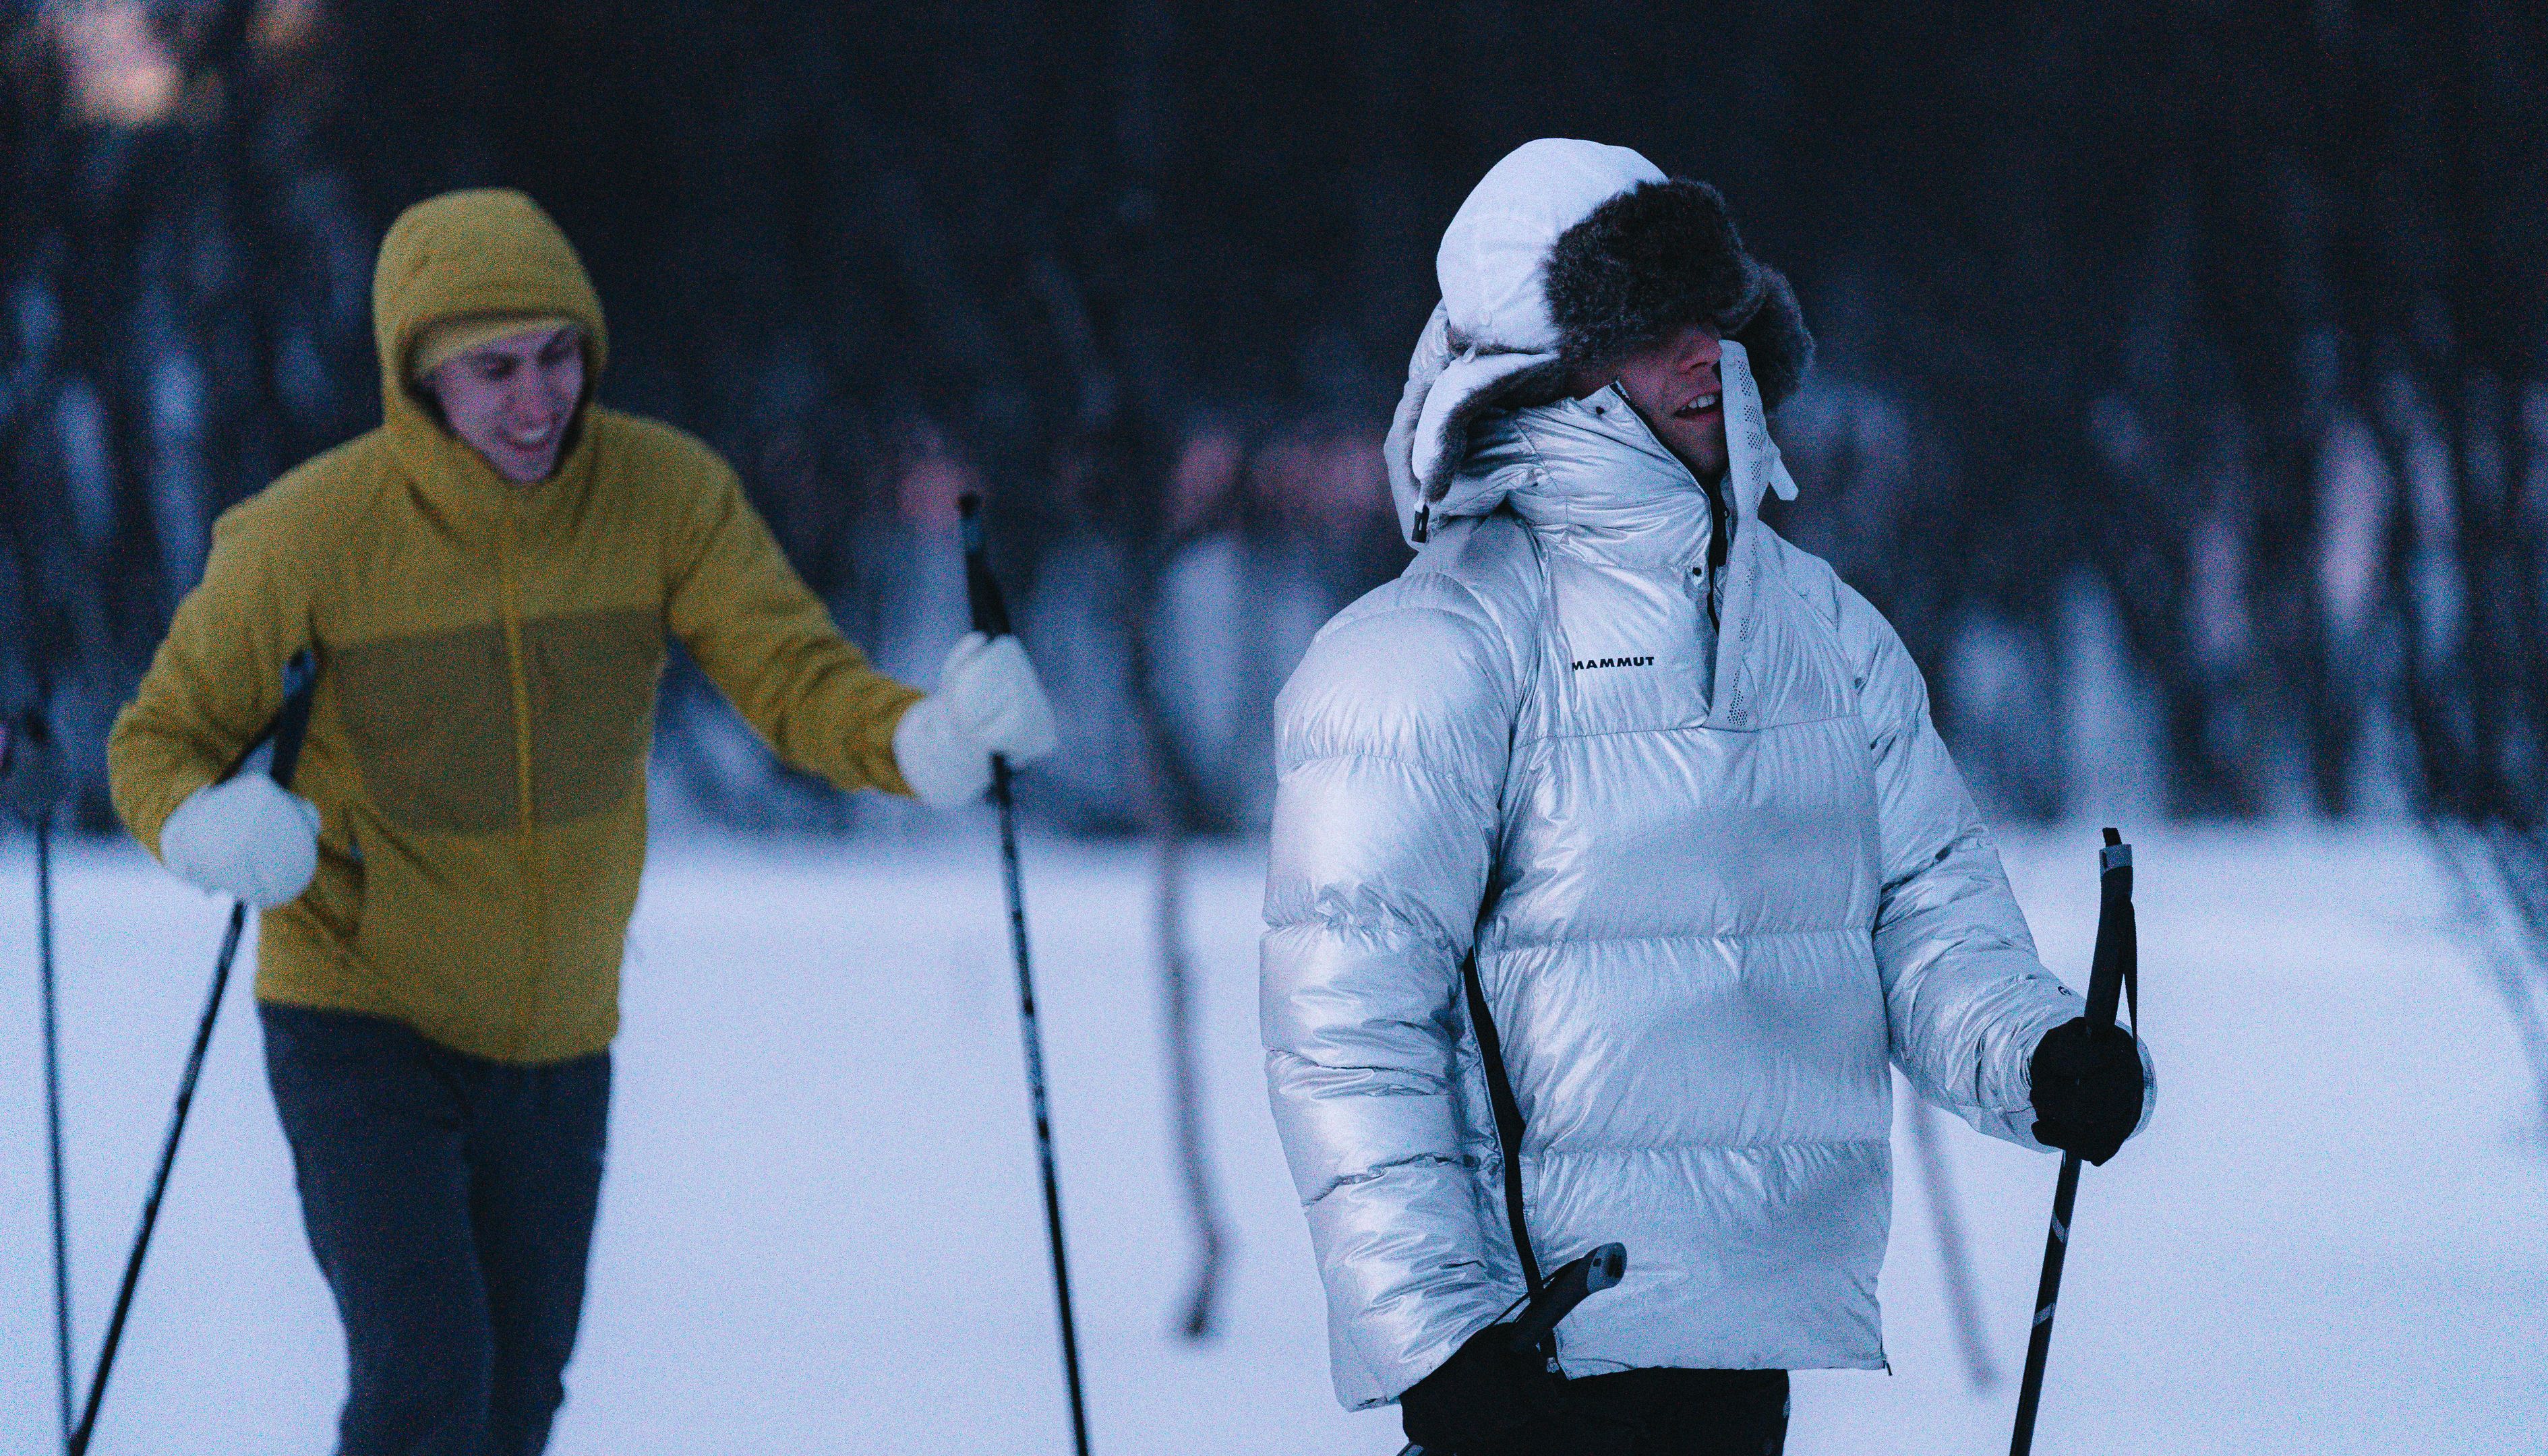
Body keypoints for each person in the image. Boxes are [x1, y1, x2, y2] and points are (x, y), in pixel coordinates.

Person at [107, 189, 1054, 1455]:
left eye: (557, 356)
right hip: (361, 1019)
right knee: (425, 1389)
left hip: (561, 1038)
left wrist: (922, 740)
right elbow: (153, 743)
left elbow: (793, 676)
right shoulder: (309, 536)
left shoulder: (662, 495)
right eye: (491, 368)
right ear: (417, 377)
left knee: (517, 1408)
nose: (536, 399)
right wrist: (204, 827)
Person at [1262, 140, 2154, 1455]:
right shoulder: (1429, 651)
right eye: (1648, 324)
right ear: (1544, 362)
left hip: (1744, 1347)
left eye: (1717, 315)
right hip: (1528, 1362)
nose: (1703, 354)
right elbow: (1350, 1026)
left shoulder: (1821, 626)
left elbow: (1920, 911)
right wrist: (1437, 1340)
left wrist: (2035, 1053)